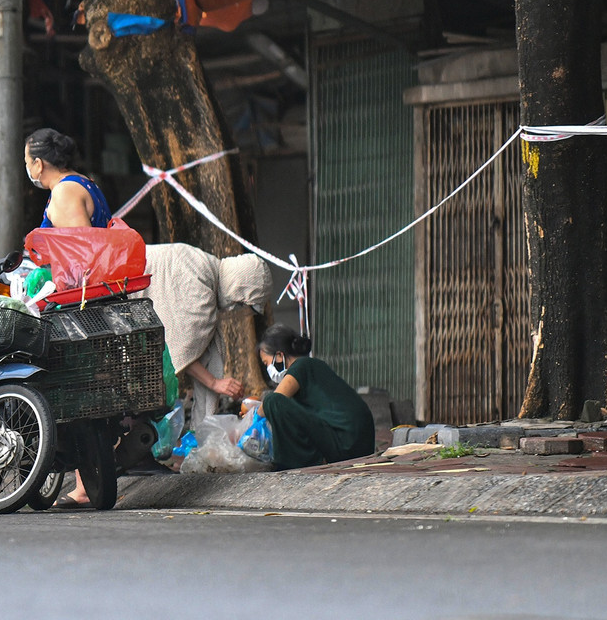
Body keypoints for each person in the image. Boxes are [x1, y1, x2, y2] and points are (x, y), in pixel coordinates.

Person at [23, 128, 112, 508]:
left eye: (26, 160)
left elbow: (81, 253)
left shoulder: (62, 192)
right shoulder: (84, 183)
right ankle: (81, 479)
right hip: (94, 297)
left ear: (38, 163)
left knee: (72, 385)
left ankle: (81, 482)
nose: (26, 167)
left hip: (80, 303)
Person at [141, 244, 272, 425]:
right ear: (237, 286)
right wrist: (214, 383)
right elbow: (178, 347)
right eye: (240, 303)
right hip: (112, 286)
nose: (234, 308)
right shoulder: (200, 292)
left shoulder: (205, 266)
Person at [253, 324, 375, 470]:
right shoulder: (313, 365)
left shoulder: (301, 366)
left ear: (279, 355)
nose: (268, 369)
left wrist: (251, 420)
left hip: (346, 442)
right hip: (358, 443)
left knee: (272, 401)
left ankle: (292, 464)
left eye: (267, 363)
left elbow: (275, 401)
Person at [24, 128, 113, 230]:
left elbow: (79, 243)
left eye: (27, 162)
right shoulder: (81, 180)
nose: (28, 168)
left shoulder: (64, 192)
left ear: (38, 164)